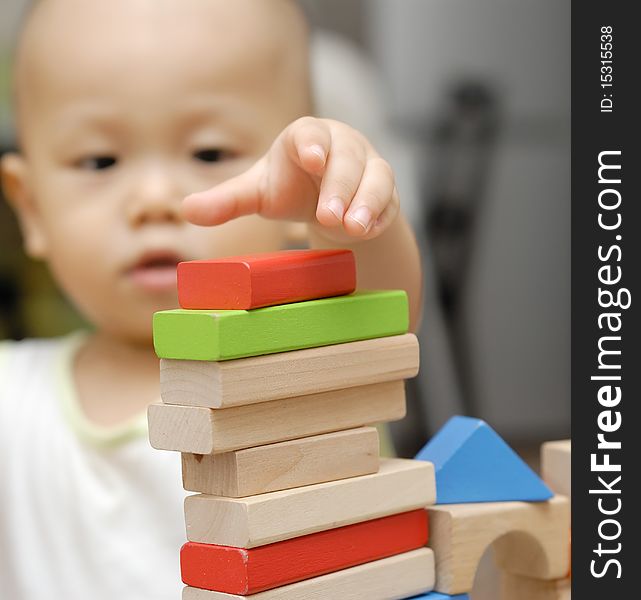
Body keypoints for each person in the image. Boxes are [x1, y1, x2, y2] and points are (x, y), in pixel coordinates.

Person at [0, 0, 422, 598]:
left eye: (208, 153)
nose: (153, 198)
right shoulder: (13, 400)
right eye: (99, 160)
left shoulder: (300, 373)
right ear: (32, 208)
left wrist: (347, 216)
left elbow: (382, 319)